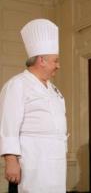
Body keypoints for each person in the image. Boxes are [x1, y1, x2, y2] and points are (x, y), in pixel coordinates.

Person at [0, 19, 68, 193]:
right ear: (41, 60)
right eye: (55, 61)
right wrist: (10, 160)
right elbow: (8, 126)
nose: (58, 66)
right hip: (32, 162)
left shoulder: (53, 89)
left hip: (56, 164)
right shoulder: (17, 85)